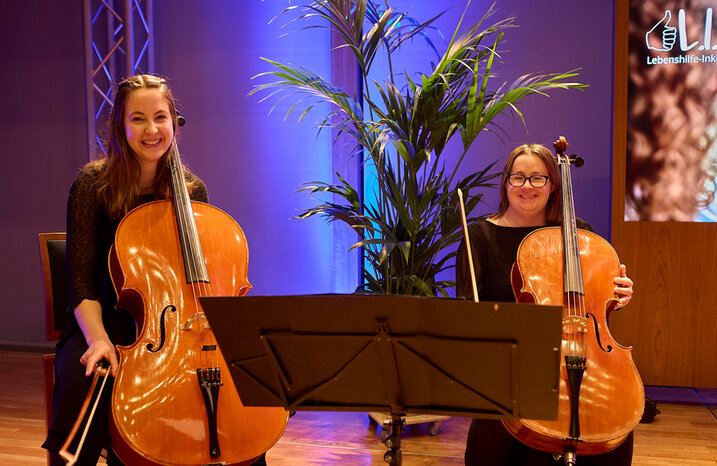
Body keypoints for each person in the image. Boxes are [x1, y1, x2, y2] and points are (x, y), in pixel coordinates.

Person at [41, 74, 267, 466]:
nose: (152, 130)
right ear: (121, 126)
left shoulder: (192, 190)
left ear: (174, 123)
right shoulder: (93, 186)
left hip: (175, 324)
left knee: (240, 385)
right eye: (139, 119)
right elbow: (81, 283)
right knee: (86, 380)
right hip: (103, 318)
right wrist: (98, 340)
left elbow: (204, 279)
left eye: (160, 117)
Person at [456, 143, 636, 466]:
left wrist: (618, 295)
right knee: (493, 432)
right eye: (518, 177)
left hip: (582, 355)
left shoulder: (580, 234)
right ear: (505, 183)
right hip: (514, 367)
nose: (527, 186)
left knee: (616, 421)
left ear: (553, 184)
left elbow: (596, 304)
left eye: (537, 178)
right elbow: (468, 314)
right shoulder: (479, 238)